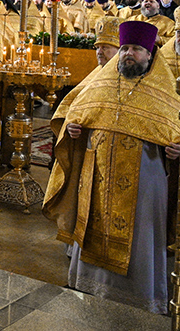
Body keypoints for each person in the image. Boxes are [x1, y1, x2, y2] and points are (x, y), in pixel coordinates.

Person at [43, 21, 180, 314]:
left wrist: (176, 151)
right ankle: (89, 289)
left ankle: (141, 299)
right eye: (125, 48)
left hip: (146, 183)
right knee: (95, 229)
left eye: (137, 50)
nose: (129, 54)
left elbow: (175, 132)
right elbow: (73, 117)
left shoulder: (165, 92)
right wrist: (74, 132)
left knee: (142, 243)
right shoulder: (101, 83)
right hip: (98, 179)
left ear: (149, 54)